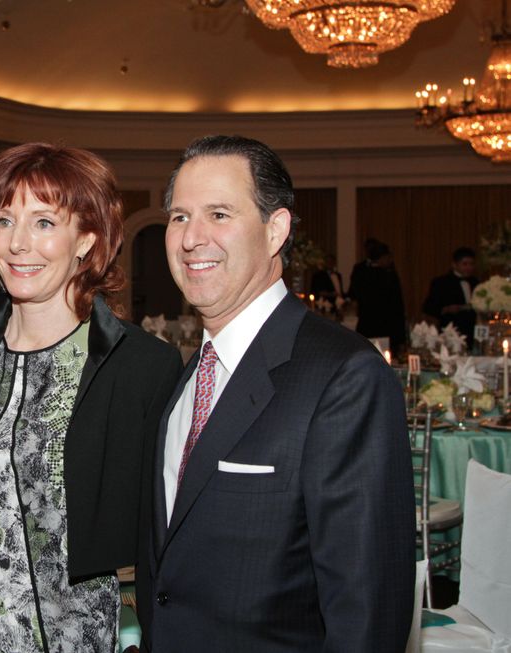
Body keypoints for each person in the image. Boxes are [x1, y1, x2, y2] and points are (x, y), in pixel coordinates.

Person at [138, 135, 414, 652]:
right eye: (179, 217)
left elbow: (367, 615)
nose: (192, 238)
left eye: (219, 214)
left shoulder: (344, 378)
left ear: (275, 230)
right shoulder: (186, 377)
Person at [0, 143, 183, 652]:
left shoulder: (140, 367)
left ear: (87, 239)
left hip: (80, 636)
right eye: (4, 221)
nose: (17, 244)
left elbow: (164, 536)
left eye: (44, 222)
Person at [348, 238, 407, 354]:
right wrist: (401, 339)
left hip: (366, 325)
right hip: (387, 327)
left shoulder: (361, 273)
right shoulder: (389, 276)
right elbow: (398, 306)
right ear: (383, 257)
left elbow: (353, 295)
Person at [423, 246, 478, 341]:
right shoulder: (441, 282)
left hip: (472, 332)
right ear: (454, 264)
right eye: (464, 264)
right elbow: (428, 307)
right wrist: (446, 309)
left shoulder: (476, 283)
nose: (469, 267)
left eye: (471, 264)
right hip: (450, 332)